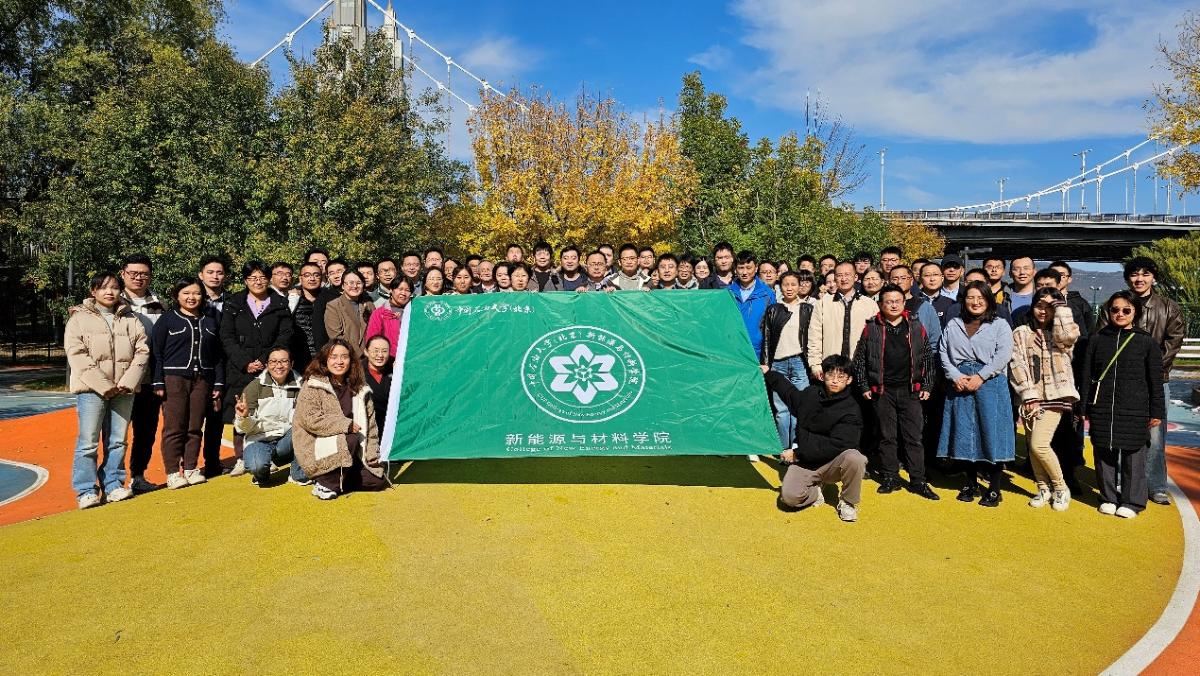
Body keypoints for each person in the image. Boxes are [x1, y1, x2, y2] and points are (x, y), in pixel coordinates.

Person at [1095, 257, 1185, 506]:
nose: (1139, 279)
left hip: (1156, 381)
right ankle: (1122, 483)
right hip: (1118, 383)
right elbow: (1102, 338)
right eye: (1134, 274)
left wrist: (1148, 370)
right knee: (1119, 433)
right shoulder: (1111, 305)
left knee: (1154, 436)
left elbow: (1173, 342)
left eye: (1145, 274)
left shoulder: (1169, 307)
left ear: (1153, 278)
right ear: (1127, 278)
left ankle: (1156, 485)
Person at [65, 272, 150, 509]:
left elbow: (142, 351)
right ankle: (86, 490)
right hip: (91, 390)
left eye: (114, 287)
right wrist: (104, 385)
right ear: (93, 291)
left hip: (124, 389)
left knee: (118, 440)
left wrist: (128, 381)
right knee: (88, 442)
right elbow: (77, 355)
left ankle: (113, 484)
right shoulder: (79, 319)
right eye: (103, 287)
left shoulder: (130, 318)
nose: (109, 292)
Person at [1082, 291, 1166, 518]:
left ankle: (1133, 501)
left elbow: (1155, 381)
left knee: (1133, 455)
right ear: (1108, 312)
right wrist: (1084, 407)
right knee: (1103, 451)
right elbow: (1087, 375)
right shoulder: (1097, 339)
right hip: (1102, 406)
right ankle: (1108, 497)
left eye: (1126, 310)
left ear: (1135, 312)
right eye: (1115, 309)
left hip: (1135, 408)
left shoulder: (1146, 342)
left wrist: (1157, 411)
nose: (1120, 314)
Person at [852, 284, 939, 500]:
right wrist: (864, 386)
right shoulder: (872, 327)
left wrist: (927, 385)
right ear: (881, 304)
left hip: (910, 390)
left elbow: (927, 358)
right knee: (886, 436)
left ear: (904, 303)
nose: (893, 305)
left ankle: (918, 480)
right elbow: (860, 359)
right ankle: (890, 476)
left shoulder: (915, 326)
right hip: (883, 391)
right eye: (888, 302)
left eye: (897, 301)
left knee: (913, 437)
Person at [938, 281, 1015, 507]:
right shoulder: (954, 324)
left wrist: (981, 376)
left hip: (990, 383)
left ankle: (994, 488)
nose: (975, 302)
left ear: (989, 300)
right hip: (960, 382)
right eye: (971, 297)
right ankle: (970, 482)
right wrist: (955, 376)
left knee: (992, 433)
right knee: (964, 433)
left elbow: (1004, 354)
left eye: (980, 298)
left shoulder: (1000, 324)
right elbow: (943, 352)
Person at [763, 355, 866, 522]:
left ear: (849, 380)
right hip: (806, 463)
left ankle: (848, 502)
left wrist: (797, 453)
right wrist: (769, 374)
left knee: (856, 458)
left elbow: (838, 445)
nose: (835, 380)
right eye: (830, 375)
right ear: (823, 375)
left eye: (841, 377)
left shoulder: (852, 409)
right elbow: (789, 393)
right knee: (789, 498)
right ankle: (815, 491)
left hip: (831, 464)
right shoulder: (810, 394)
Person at [219, 260, 295, 476]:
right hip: (240, 368)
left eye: (262, 277)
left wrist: (264, 360)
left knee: (268, 409)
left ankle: (268, 453)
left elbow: (285, 334)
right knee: (241, 409)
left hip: (270, 366)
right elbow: (226, 336)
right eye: (253, 278)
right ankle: (240, 458)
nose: (258, 282)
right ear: (245, 280)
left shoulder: (279, 303)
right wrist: (244, 361)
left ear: (269, 279)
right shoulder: (234, 303)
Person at [1008, 288, 1080, 511]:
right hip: (1030, 396)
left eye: (1049, 307)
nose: (1043, 311)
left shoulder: (1061, 332)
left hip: (1055, 395)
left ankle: (1060, 487)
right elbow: (1017, 364)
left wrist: (1060, 309)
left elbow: (1068, 338)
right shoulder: (1020, 332)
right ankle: (1042, 488)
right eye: (1040, 306)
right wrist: (1028, 395)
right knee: (1032, 446)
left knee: (1039, 444)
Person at [152, 278, 225, 488]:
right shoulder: (167, 319)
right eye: (186, 293)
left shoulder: (210, 320)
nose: (191, 297)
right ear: (177, 296)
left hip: (203, 379)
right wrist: (158, 381)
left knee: (195, 426)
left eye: (196, 293)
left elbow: (218, 355)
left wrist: (218, 383)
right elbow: (157, 353)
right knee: (174, 427)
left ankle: (192, 467)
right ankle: (173, 472)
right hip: (174, 379)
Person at [294, 340, 388, 500]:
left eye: (344, 357)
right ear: (325, 360)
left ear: (351, 360)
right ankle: (325, 483)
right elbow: (310, 420)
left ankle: (337, 480)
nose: (339, 361)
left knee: (377, 481)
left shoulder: (360, 388)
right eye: (334, 357)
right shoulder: (313, 384)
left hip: (352, 447)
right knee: (350, 437)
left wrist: (372, 454)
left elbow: (371, 426)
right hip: (317, 444)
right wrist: (345, 425)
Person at [119, 254, 166, 495]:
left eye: (144, 274)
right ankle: (112, 481)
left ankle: (138, 476)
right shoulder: (112, 300)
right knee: (116, 433)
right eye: (133, 273)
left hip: (149, 379)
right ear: (123, 274)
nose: (139, 278)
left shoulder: (159, 304)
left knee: (146, 431)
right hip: (120, 380)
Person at [235, 347, 308, 487]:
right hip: (260, 439)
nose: (278, 366)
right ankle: (262, 473)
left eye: (284, 361)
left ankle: (298, 473)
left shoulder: (302, 385)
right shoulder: (254, 387)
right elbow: (241, 429)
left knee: (306, 428)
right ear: (267, 365)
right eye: (273, 361)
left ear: (291, 364)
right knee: (257, 466)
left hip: (287, 439)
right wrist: (244, 417)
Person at [760, 272, 814, 451]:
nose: (789, 288)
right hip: (778, 364)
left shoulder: (807, 309)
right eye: (785, 285)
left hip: (800, 363)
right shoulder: (773, 309)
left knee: (800, 406)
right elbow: (766, 337)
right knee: (782, 410)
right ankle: (783, 448)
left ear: (800, 286)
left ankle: (797, 448)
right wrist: (766, 363)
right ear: (779, 287)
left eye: (793, 284)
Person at [807, 261, 879, 380]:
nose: (844, 279)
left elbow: (876, 340)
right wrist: (815, 365)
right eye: (839, 275)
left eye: (847, 275)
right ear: (835, 278)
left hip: (860, 368)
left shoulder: (870, 305)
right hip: (830, 367)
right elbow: (815, 336)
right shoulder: (823, 303)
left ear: (855, 277)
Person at [197, 255, 230, 477]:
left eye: (219, 272)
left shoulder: (233, 301)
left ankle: (212, 463)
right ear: (201, 275)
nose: (215, 276)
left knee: (216, 417)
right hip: (198, 365)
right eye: (210, 272)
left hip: (223, 364)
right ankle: (186, 464)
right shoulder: (192, 298)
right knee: (192, 418)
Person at [888, 264, 942, 350]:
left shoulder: (925, 307)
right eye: (895, 279)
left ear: (911, 281)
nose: (899, 281)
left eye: (903, 278)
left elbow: (935, 339)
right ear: (889, 282)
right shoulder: (883, 306)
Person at [324, 269, 372, 357]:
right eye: (351, 283)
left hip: (370, 356)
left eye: (359, 283)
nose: (355, 286)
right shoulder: (333, 306)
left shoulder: (369, 305)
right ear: (343, 285)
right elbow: (336, 336)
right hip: (348, 355)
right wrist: (361, 353)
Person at [366, 277, 413, 357]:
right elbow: (372, 341)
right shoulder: (379, 314)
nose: (403, 293)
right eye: (400, 289)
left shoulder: (414, 312)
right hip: (388, 359)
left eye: (407, 290)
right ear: (391, 290)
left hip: (412, 358)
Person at [291, 261, 323, 368]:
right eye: (307, 275)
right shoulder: (292, 299)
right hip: (299, 354)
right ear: (300, 279)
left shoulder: (328, 298)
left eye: (316, 275)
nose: (312, 278)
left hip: (324, 353)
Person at [310, 258, 346, 351]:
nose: (336, 276)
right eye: (331, 273)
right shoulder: (323, 298)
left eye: (339, 271)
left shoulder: (358, 294)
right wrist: (323, 353)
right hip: (334, 349)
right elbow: (318, 329)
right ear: (327, 277)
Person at [363, 335, 394, 432]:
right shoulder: (357, 372)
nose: (380, 355)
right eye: (375, 351)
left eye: (384, 351)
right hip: (368, 426)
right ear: (366, 352)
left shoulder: (395, 368)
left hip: (392, 425)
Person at [917, 261, 956, 327]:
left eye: (935, 274)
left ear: (942, 278)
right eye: (927, 275)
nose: (932, 279)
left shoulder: (951, 304)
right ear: (920, 279)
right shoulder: (912, 301)